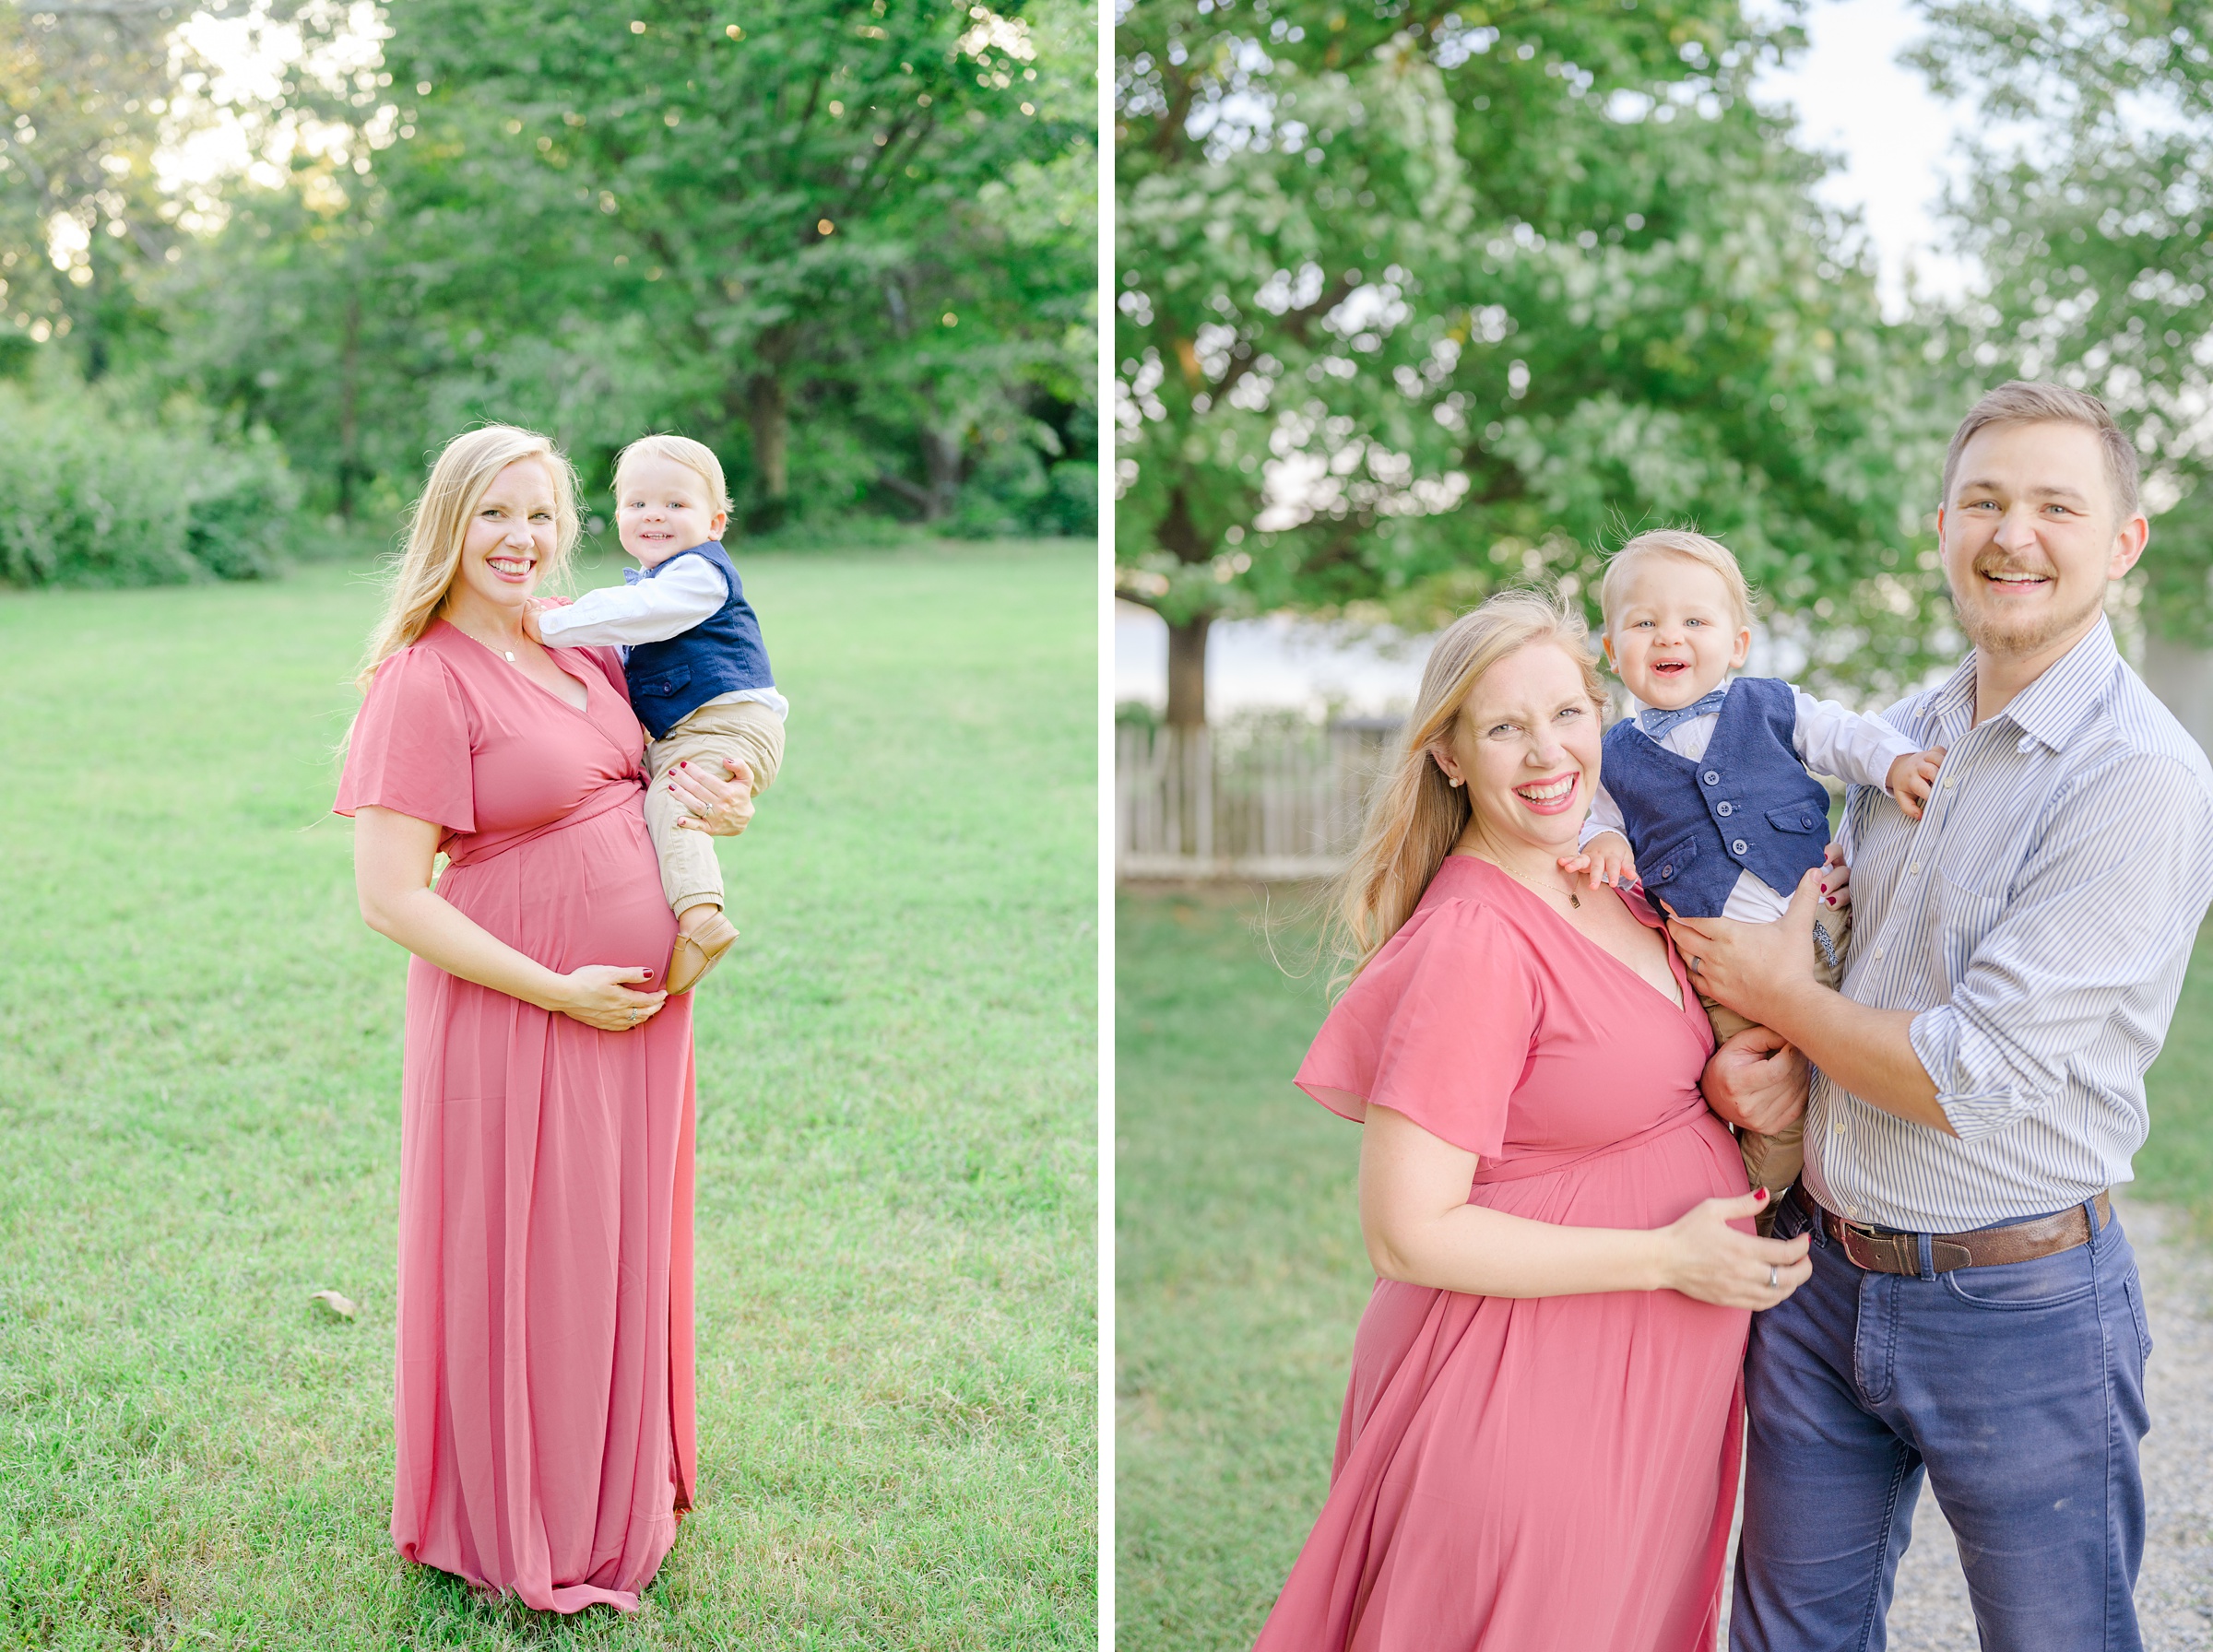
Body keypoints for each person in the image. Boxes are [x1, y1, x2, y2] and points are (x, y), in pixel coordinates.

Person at [1678, 382, 2213, 1650]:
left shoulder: (2139, 780)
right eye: (1984, 501)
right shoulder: (1902, 734)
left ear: (2122, 541)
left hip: (2017, 1308)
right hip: (1821, 1283)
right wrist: (1785, 1067)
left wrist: (1778, 999)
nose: (2011, 534)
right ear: (1941, 526)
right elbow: (1860, 969)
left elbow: (1972, 1073)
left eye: (2054, 506)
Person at [1251, 591, 1815, 1651]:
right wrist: (1664, 1256)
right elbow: (1408, 1230)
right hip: (1520, 1392)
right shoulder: (1474, 936)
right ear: (1452, 757)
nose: (1547, 751)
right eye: (1505, 726)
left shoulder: (1613, 880)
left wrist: (1767, 1120)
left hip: (1649, 1393)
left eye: (1567, 713)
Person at [335, 424, 753, 1613]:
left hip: (637, 1020)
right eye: (495, 516)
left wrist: (722, 799)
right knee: (534, 1259)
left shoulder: (584, 645)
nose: (521, 540)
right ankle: (519, 1512)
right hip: (519, 1018)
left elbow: (662, 772)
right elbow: (389, 896)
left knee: (616, 1249)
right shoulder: (424, 677)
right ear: (449, 529)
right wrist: (555, 986)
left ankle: (611, 1494)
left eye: (540, 516)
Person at [1567, 527, 1945, 1212]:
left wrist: (1893, 764)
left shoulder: (1768, 705)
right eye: (1643, 623)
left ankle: (1872, 1188)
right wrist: (1604, 844)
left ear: (1736, 644)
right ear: (1612, 653)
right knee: (1773, 1107)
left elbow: (1842, 734)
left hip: (1829, 925)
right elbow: (1596, 820)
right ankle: (1754, 1209)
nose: (1668, 637)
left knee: (1873, 1056)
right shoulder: (1611, 754)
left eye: (1694, 621)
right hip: (1723, 974)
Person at [529, 433, 787, 994]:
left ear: (715, 523)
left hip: (725, 724)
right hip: (691, 728)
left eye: (676, 504)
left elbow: (641, 614)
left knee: (676, 803)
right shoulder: (654, 584)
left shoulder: (699, 576)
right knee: (661, 798)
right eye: (637, 503)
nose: (654, 516)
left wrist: (549, 623)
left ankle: (701, 920)